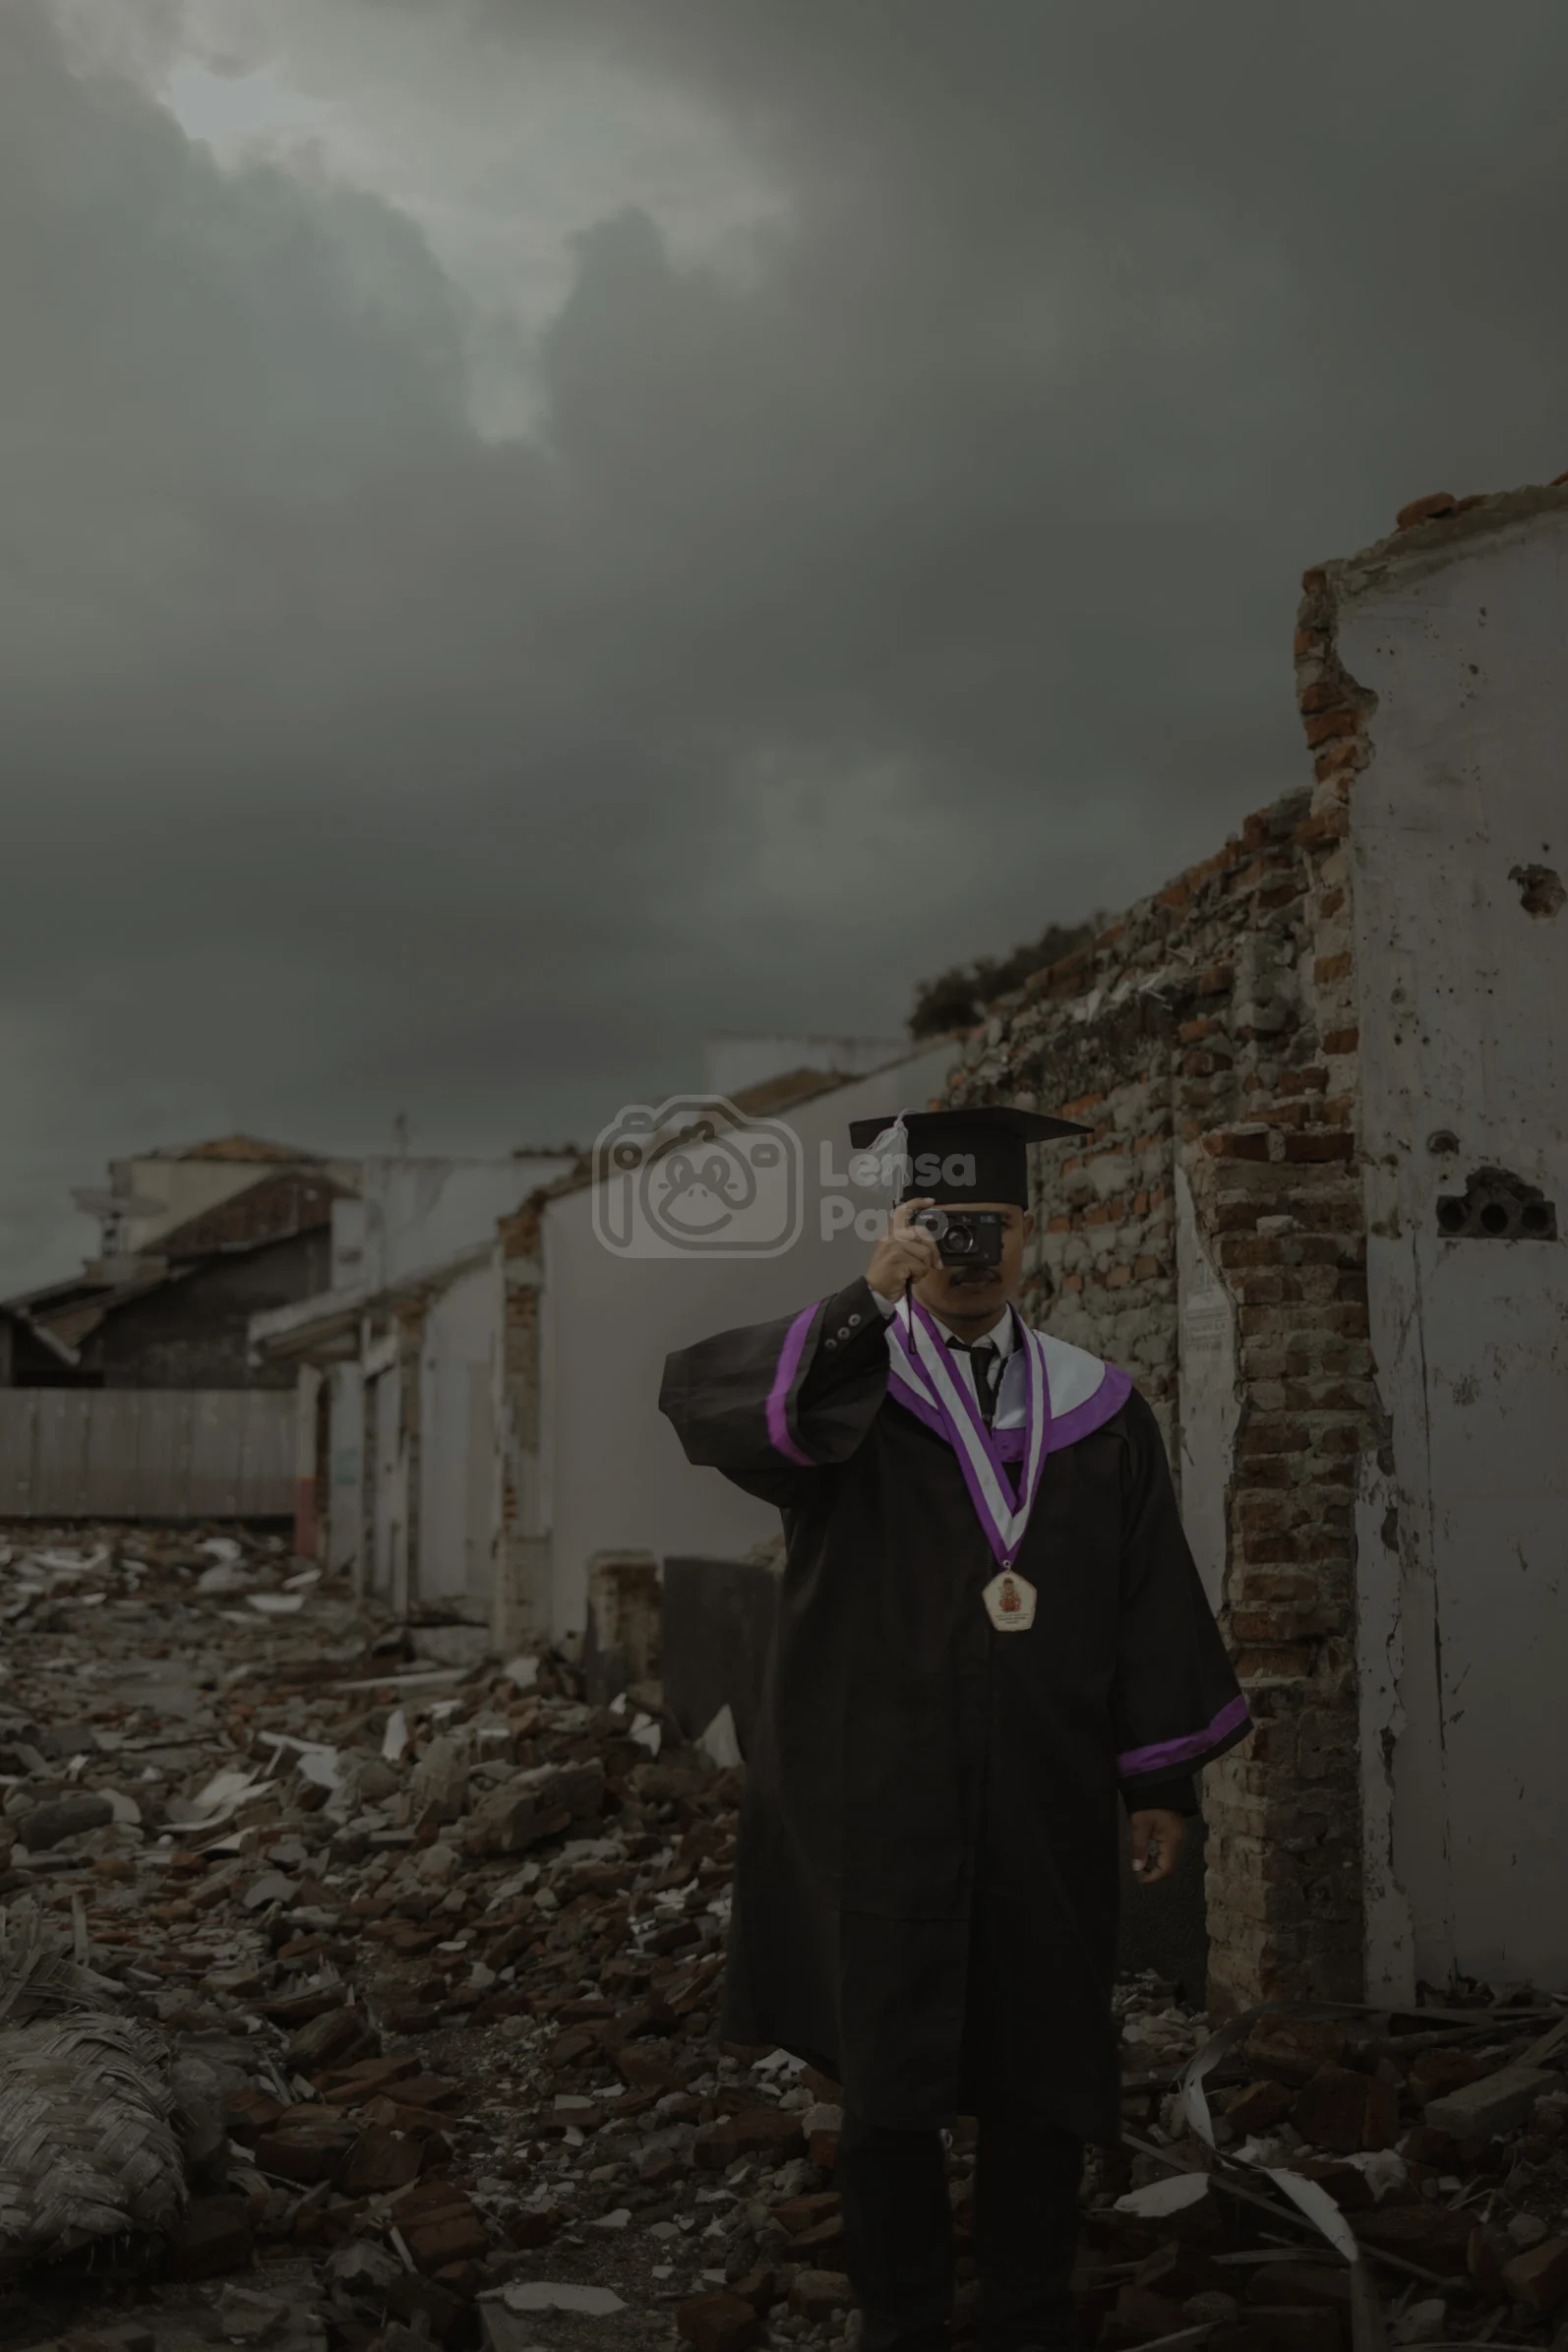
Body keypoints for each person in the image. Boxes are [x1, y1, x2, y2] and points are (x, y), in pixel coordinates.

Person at [659, 1107, 1250, 2352]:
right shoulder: (847, 1394)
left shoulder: (1097, 1407)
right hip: (871, 1796)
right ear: (902, 1231)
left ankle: (1031, 2312)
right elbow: (706, 1404)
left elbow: (1152, 1599)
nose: (969, 1249)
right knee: (886, 2071)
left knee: (1044, 2063)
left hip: (1041, 1795)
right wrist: (864, 1300)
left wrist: (1162, 1786)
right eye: (940, 1225)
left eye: (991, 1225)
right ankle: (903, 2318)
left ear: (1034, 1235)